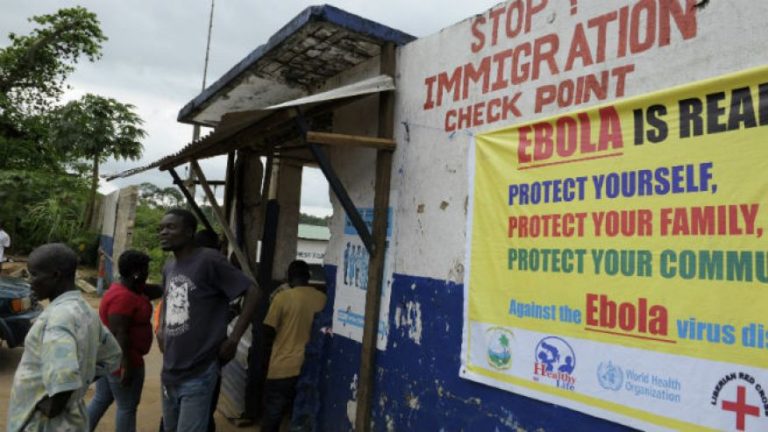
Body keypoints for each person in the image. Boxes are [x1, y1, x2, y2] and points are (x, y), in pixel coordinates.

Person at [157, 209, 260, 432]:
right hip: (170, 372)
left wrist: (233, 339)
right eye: (161, 228)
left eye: (170, 227)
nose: (163, 232)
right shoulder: (169, 267)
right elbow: (167, 298)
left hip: (199, 371)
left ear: (189, 232)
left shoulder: (209, 260)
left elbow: (253, 292)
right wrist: (162, 326)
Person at [6, 243, 121, 431]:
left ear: (55, 276)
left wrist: (56, 403)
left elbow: (64, 376)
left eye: (34, 274)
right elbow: (112, 355)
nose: (29, 281)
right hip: (73, 420)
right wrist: (81, 381)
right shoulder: (86, 311)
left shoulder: (57, 319)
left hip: (44, 424)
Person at [87, 249, 162, 432]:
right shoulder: (123, 297)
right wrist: (125, 366)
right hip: (124, 360)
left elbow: (153, 290)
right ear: (136, 273)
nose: (147, 273)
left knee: (101, 399)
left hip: (110, 357)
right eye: (145, 270)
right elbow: (120, 334)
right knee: (127, 408)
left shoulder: (127, 288)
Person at [261, 260, 327, 432]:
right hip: (310, 368)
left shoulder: (282, 298)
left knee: (273, 416)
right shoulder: (322, 298)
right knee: (302, 419)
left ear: (289, 277)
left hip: (282, 368)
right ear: (309, 277)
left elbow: (267, 332)